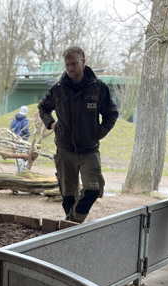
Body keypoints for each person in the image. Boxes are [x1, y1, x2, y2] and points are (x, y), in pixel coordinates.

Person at [38, 45, 119, 223]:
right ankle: (72, 230)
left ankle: (70, 224)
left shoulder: (98, 88)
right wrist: (51, 124)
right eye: (67, 65)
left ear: (83, 61)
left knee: (93, 189)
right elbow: (43, 107)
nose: (70, 68)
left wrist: (97, 133)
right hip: (65, 149)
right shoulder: (58, 89)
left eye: (74, 63)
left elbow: (111, 113)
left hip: (89, 150)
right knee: (68, 196)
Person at [10, 105, 30, 171]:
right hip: (23, 139)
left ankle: (18, 167)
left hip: (16, 139)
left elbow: (11, 127)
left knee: (17, 153)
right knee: (25, 153)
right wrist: (28, 134)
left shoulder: (15, 118)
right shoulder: (25, 120)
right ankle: (24, 168)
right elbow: (26, 130)